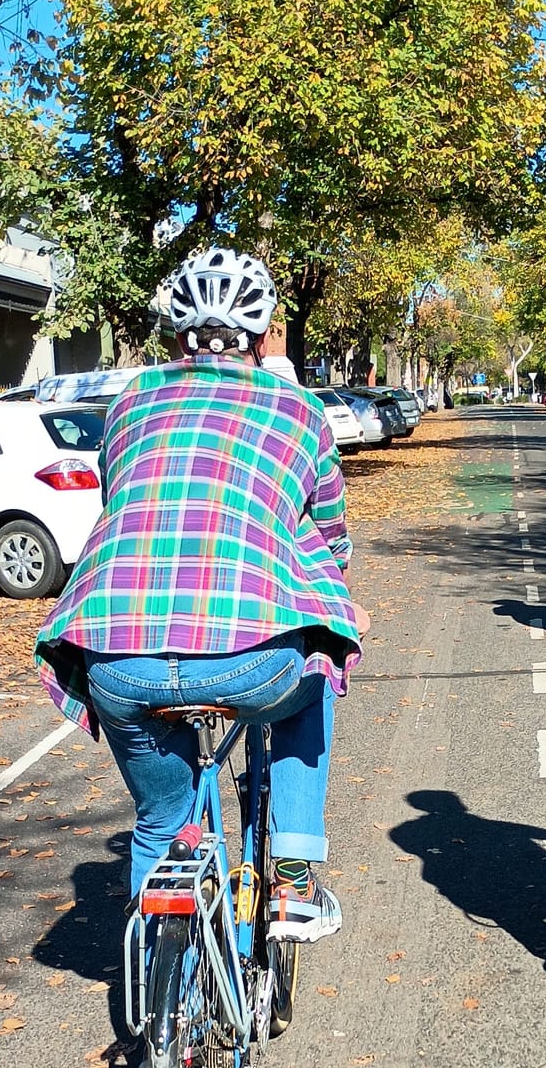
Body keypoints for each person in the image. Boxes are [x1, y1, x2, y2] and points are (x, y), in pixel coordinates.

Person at [36, 246, 367, 943]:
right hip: (251, 658)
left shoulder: (130, 403)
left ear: (175, 335)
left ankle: (168, 1026)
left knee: (161, 818)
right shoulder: (299, 410)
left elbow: (124, 498)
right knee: (315, 672)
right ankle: (295, 874)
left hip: (114, 656)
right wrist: (333, 600)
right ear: (265, 332)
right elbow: (332, 539)